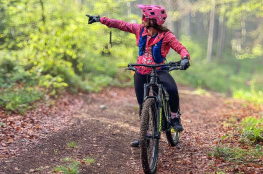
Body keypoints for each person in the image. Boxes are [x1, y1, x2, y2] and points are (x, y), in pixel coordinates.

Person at [87, 4, 190, 147]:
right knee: (143, 104)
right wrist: (100, 19)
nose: (142, 19)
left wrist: (185, 58)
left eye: (145, 17)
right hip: (141, 70)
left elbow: (180, 48)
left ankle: (174, 117)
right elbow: (121, 25)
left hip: (159, 69)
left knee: (172, 89)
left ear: (153, 21)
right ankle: (145, 137)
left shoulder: (166, 36)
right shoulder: (140, 30)